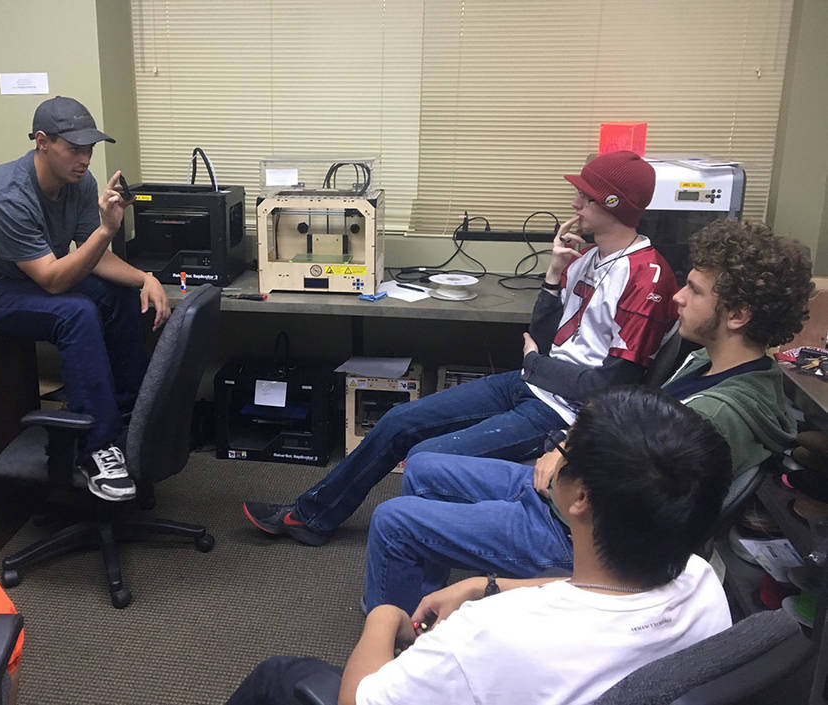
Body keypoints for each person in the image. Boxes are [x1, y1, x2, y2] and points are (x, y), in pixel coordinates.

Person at [364, 219, 813, 612]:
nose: (677, 296)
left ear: (738, 315)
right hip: (571, 494)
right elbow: (630, 419)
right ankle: (427, 609)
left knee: (392, 520)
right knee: (423, 465)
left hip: (577, 533)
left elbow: (636, 509)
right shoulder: (709, 363)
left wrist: (568, 461)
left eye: (694, 290)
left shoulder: (717, 413)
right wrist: (568, 446)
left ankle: (395, 637)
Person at [244, 150, 678, 545]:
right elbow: (543, 339)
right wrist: (553, 273)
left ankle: (417, 560)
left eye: (585, 197)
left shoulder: (647, 276)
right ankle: (311, 517)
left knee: (426, 458)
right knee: (398, 421)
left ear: (614, 204)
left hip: (566, 413)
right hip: (530, 384)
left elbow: (610, 386)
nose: (574, 203)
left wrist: (534, 365)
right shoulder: (585, 258)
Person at [226, 386, 733, 705]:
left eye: (562, 450)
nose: (553, 458)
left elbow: (359, 701)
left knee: (279, 676)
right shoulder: (701, 579)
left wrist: (382, 616)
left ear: (580, 498)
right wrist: (487, 585)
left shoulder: (488, 634)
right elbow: (591, 596)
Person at [0, 95, 170, 503]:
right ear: (42, 142)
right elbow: (53, 282)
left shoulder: (80, 183)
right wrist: (106, 230)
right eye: (75, 149)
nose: (85, 159)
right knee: (75, 312)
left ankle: (129, 418)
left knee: (118, 294)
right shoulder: (5, 196)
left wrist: (144, 278)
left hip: (30, 279)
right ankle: (97, 447)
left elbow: (94, 259)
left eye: (90, 149)